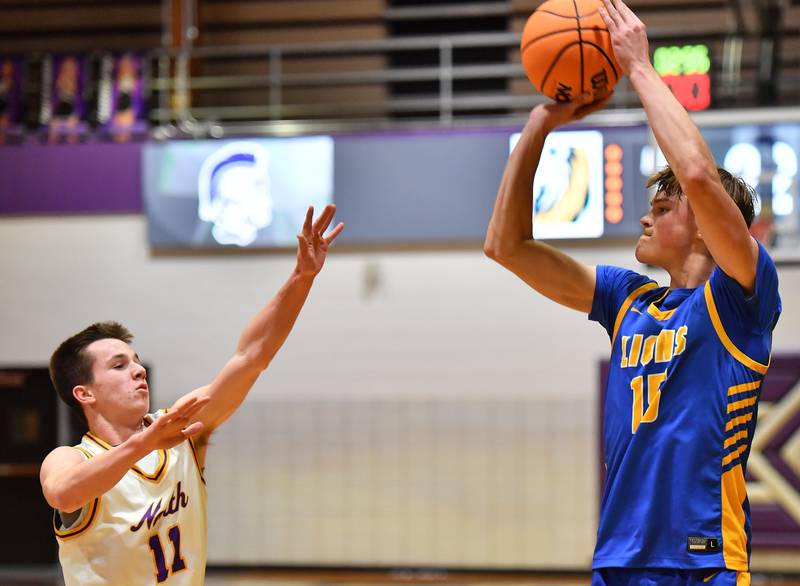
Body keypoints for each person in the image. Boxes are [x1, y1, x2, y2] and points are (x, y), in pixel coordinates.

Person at [484, 1, 781, 584]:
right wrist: (542, 123)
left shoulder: (740, 295)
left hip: (704, 564)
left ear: (704, 222)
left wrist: (639, 66)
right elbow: (505, 246)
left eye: (663, 208)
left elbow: (697, 174)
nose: (646, 219)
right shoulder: (629, 300)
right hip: (617, 562)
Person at [40, 205, 343, 585]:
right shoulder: (69, 458)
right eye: (119, 366)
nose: (137, 370)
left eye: (136, 361)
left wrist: (302, 277)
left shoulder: (182, 428)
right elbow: (63, 495)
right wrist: (146, 442)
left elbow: (251, 357)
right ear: (84, 393)